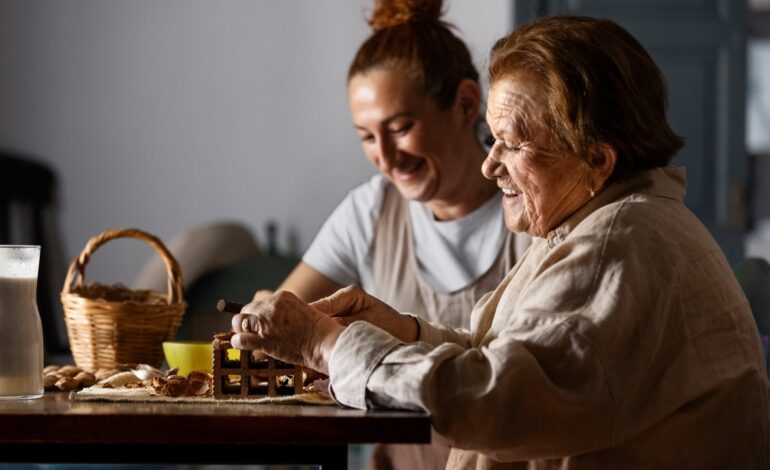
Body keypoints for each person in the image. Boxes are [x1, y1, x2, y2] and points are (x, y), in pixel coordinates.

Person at [234, 15, 770, 468]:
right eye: (493, 141)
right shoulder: (596, 223)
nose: (490, 166)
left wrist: (324, 345)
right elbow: (512, 356)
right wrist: (403, 331)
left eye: (512, 144)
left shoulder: (616, 245)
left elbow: (495, 400)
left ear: (596, 159)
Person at [256, 1, 529, 468]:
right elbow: (284, 311)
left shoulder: (534, 210)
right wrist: (267, 314)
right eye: (367, 136)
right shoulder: (371, 210)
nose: (385, 156)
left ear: (466, 104)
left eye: (401, 128)